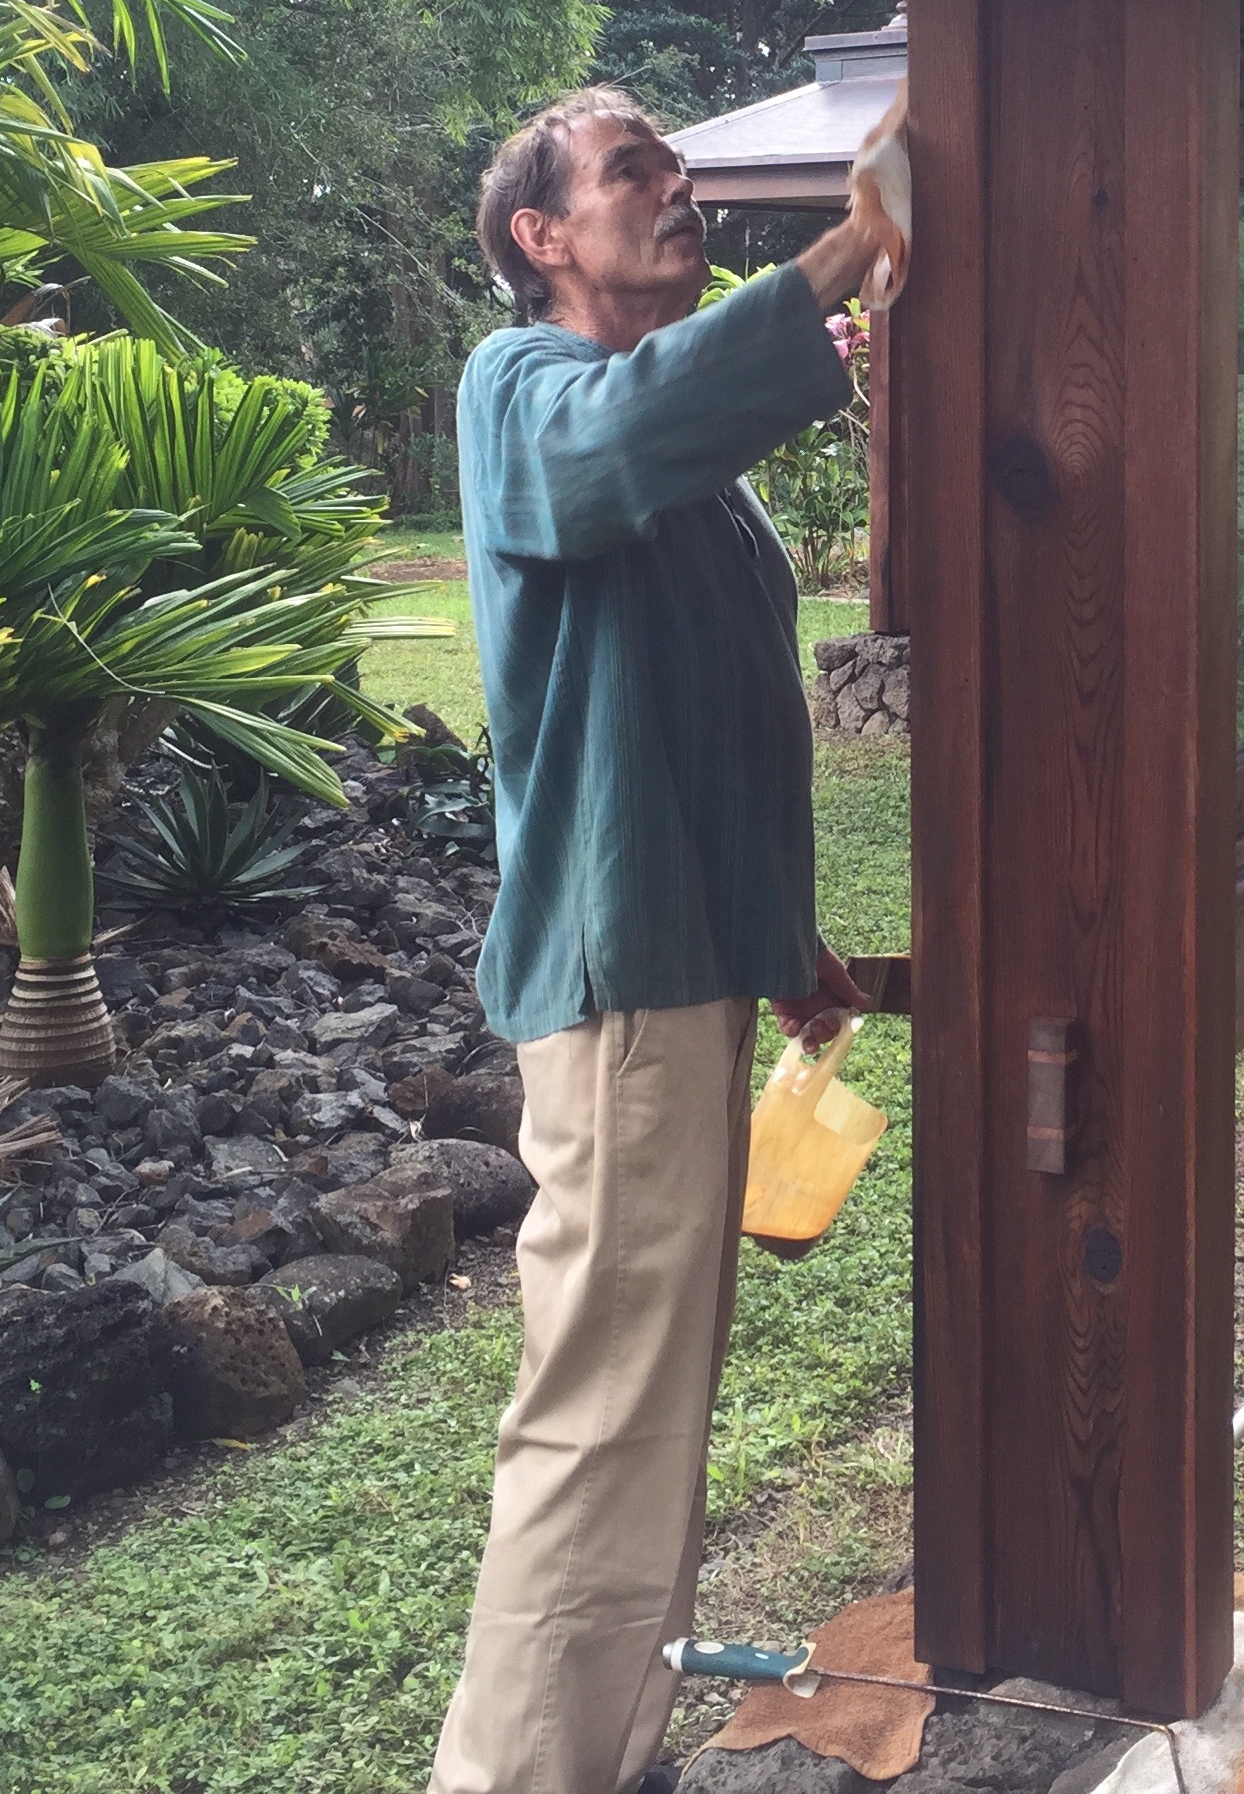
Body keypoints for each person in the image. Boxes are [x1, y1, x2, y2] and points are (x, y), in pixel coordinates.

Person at [430, 86, 888, 1794]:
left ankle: (598, 1756)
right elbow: (609, 446)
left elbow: (702, 722)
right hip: (616, 989)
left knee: (644, 1414)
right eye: (635, 173)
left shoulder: (697, 473)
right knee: (602, 1417)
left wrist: (783, 938)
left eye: (679, 168)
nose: (676, 190)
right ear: (543, 239)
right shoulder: (522, 389)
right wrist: (848, 247)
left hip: (686, 965)